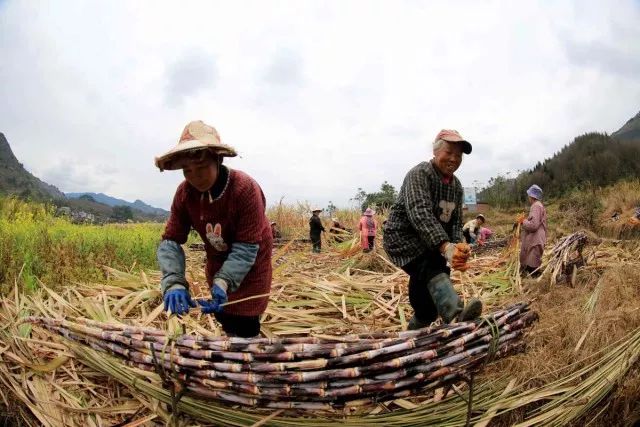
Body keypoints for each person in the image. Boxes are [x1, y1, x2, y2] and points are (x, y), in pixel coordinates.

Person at [155, 120, 272, 338]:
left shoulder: (245, 189)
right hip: (217, 259)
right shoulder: (184, 194)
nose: (195, 177)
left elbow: (247, 247)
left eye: (201, 168)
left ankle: (248, 352)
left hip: (251, 262)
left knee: (245, 319)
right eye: (187, 170)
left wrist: (224, 280)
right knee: (224, 313)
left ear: (218, 160)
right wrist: (173, 282)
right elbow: (170, 240)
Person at [383, 129, 482, 330]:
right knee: (430, 266)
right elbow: (420, 214)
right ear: (436, 151)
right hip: (404, 239)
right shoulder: (420, 174)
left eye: (459, 155)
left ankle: (417, 328)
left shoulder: (457, 187)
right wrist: (445, 247)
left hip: (431, 244)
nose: (454, 158)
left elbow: (455, 222)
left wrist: (457, 248)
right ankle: (454, 315)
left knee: (427, 301)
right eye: (449, 152)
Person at [517, 184, 547, 277]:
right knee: (532, 263)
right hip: (536, 239)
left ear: (532, 196)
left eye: (529, 195)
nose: (528, 197)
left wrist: (523, 221)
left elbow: (534, 225)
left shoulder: (536, 206)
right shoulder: (538, 205)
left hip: (535, 240)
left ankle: (535, 285)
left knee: (532, 266)